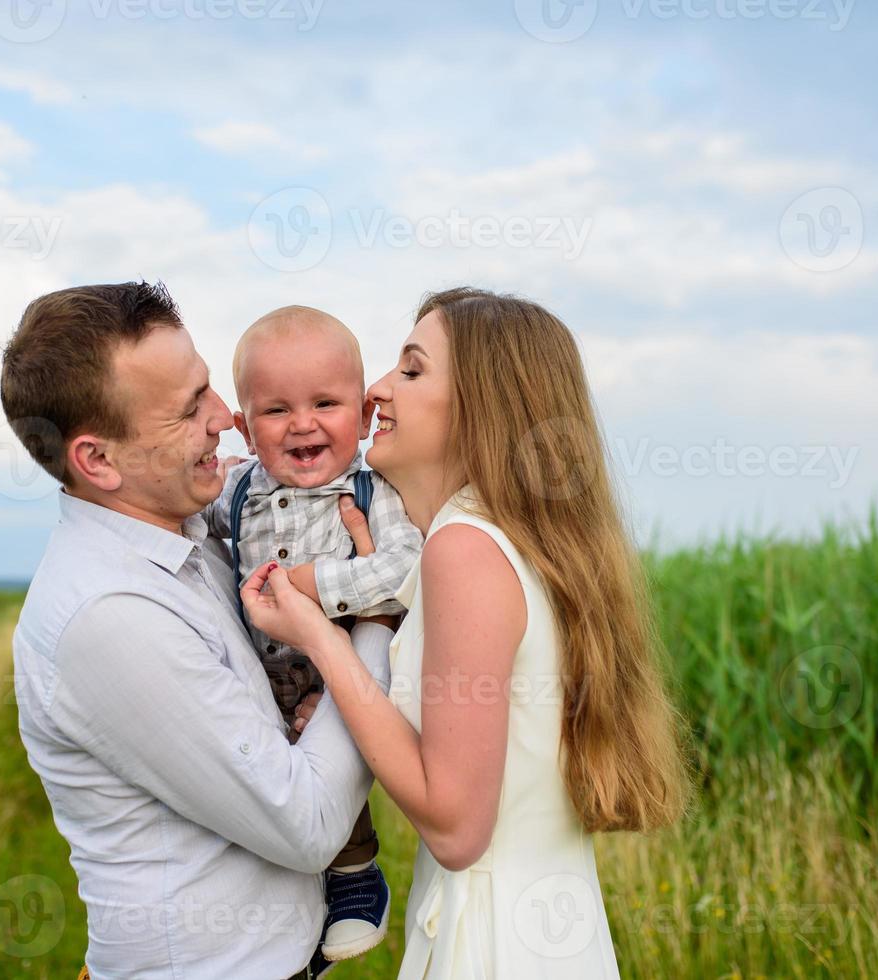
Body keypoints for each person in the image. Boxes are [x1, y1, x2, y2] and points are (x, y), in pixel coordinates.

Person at [241, 286, 693, 979]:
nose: (379, 391)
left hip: (487, 947)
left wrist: (321, 638)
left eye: (413, 370)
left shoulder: (465, 550)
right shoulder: (503, 542)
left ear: (483, 406)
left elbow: (455, 828)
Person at [0, 282, 393, 979]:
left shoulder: (200, 526)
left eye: (207, 389)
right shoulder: (109, 614)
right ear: (98, 461)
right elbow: (304, 826)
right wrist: (373, 621)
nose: (225, 419)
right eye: (189, 410)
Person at [202, 305, 425, 961]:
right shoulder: (239, 488)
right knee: (261, 784)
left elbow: (406, 569)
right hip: (257, 670)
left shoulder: (370, 490)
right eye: (275, 411)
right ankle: (280, 905)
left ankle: (356, 875)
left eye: (325, 403)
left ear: (360, 417)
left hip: (339, 671)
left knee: (332, 762)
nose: (302, 423)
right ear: (245, 426)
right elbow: (190, 521)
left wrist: (313, 584)